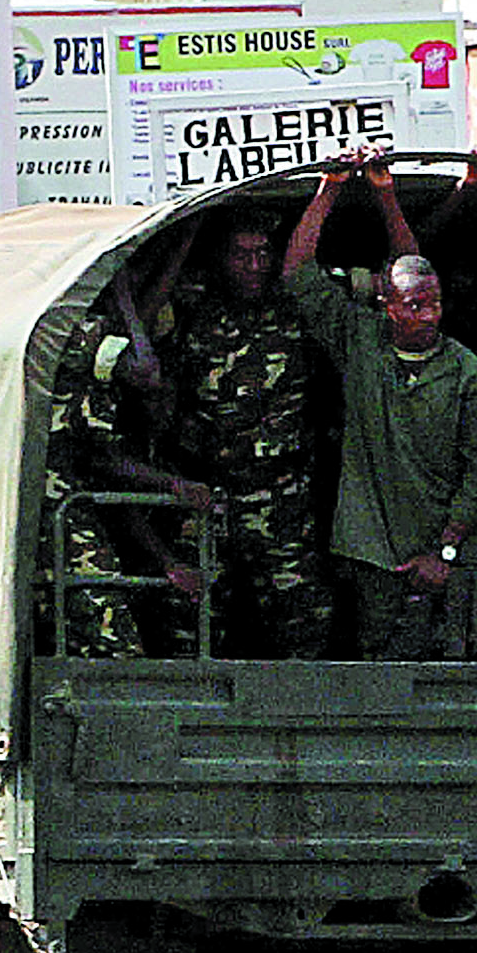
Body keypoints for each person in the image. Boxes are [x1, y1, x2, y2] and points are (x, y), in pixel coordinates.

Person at [281, 146, 477, 658]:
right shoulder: (361, 341)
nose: (429, 315)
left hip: (452, 560)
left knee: (465, 681)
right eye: (414, 305)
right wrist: (331, 186)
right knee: (382, 680)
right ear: (386, 308)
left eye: (436, 303)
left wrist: (445, 549)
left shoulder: (465, 371)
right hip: (375, 554)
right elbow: (298, 272)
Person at [160, 210, 333, 658]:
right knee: (190, 624)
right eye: (242, 255)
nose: (255, 265)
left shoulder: (297, 311)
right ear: (220, 260)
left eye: (262, 254)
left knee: (303, 621)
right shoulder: (192, 316)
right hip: (209, 495)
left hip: (282, 496)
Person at [37, 313, 208, 658]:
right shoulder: (80, 384)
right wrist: (174, 485)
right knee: (116, 645)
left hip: (58, 521)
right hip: (56, 524)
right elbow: (104, 461)